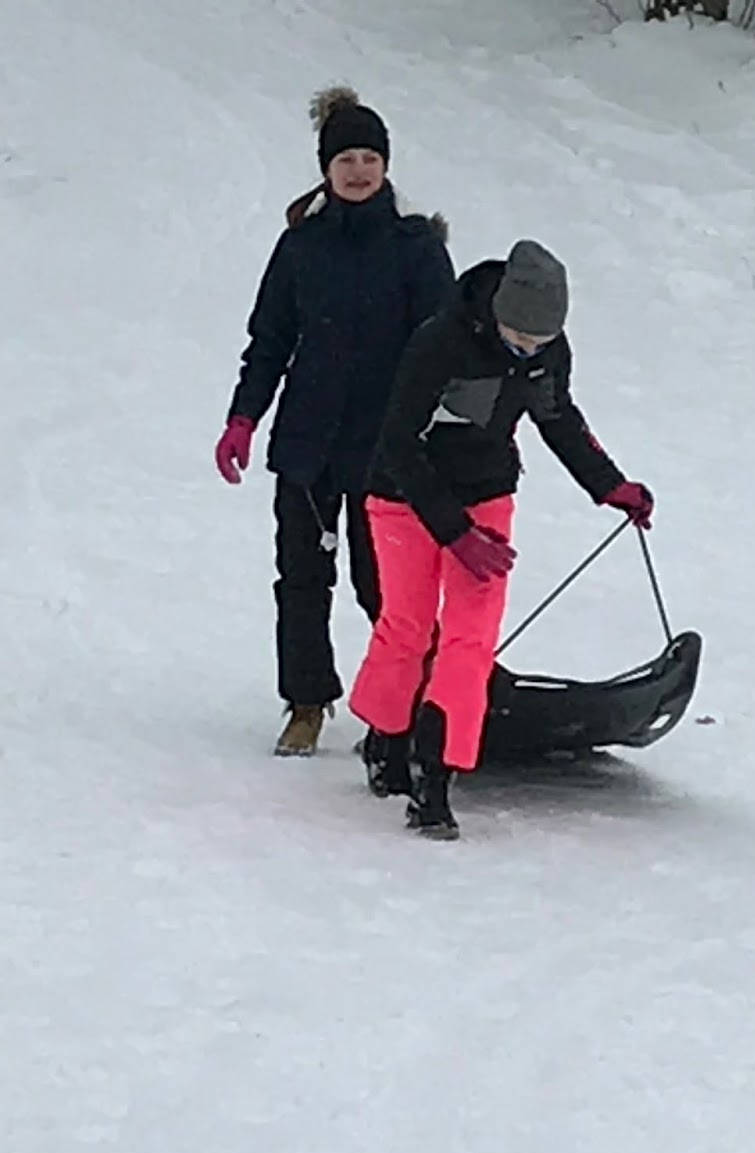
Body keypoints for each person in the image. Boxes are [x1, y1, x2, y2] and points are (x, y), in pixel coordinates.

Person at [349, 239, 655, 839]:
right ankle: (385, 738)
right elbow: (397, 443)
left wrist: (610, 485)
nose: (527, 350)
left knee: (470, 640)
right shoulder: (440, 341)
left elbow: (557, 415)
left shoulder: (548, 351)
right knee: (408, 626)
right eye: (518, 338)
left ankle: (437, 778)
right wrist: (454, 532)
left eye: (539, 343)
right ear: (497, 313)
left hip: (487, 492)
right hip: (403, 495)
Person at [214, 86, 455, 757]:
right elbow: (270, 340)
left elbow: (449, 349)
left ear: (385, 166)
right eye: (345, 158)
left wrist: (451, 434)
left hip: (388, 449)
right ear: (325, 167)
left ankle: (399, 707)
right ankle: (307, 703)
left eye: (369, 158)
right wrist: (243, 417)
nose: (357, 170)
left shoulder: (416, 247)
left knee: (388, 589)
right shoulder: (301, 246)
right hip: (307, 444)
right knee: (300, 578)